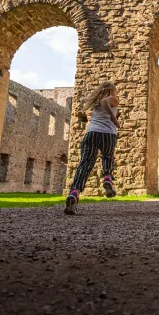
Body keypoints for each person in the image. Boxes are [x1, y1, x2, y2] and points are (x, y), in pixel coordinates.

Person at [65, 81, 120, 215]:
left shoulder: (96, 103)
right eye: (115, 91)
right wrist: (113, 118)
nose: (116, 94)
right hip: (107, 134)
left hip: (91, 133)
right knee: (107, 157)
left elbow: (102, 104)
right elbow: (106, 102)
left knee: (85, 165)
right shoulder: (111, 98)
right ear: (111, 90)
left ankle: (74, 193)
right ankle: (107, 177)